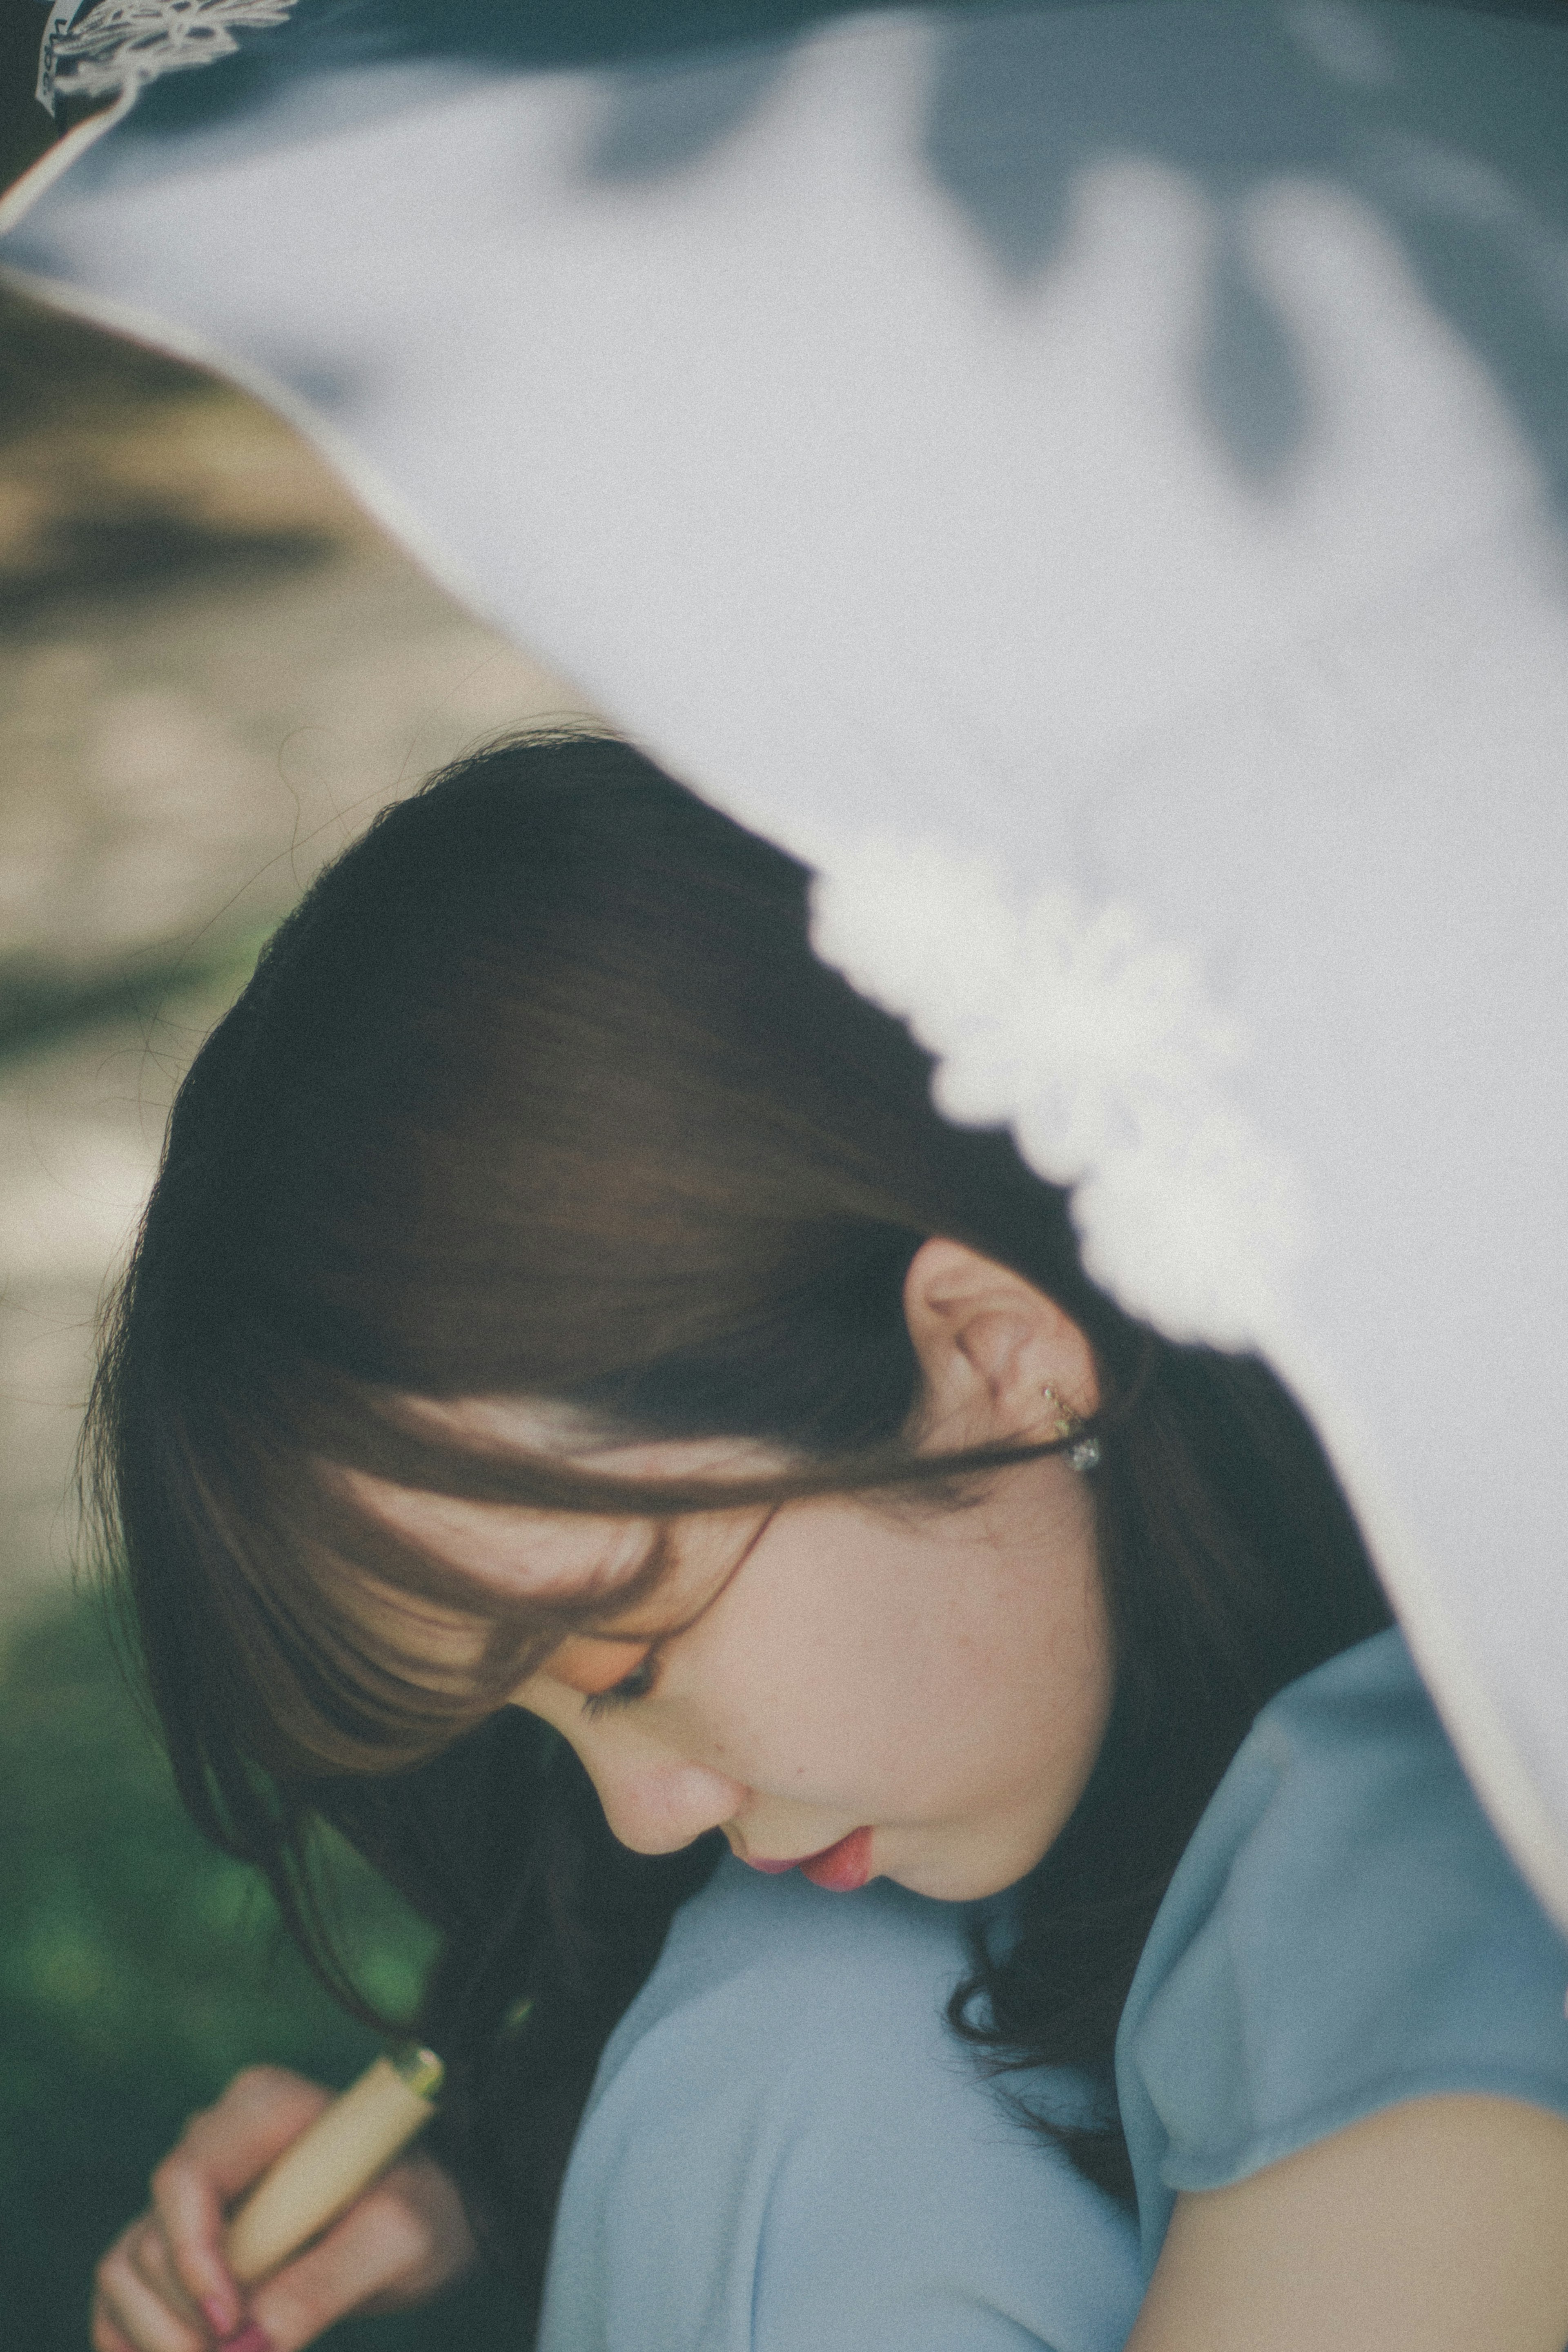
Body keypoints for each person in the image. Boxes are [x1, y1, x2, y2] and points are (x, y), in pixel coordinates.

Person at [85, 733, 1568, 2352]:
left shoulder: (1435, 1842)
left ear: (994, 1351)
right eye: (547, 1724)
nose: (647, 1817)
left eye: (633, 1659)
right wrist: (493, 2178)